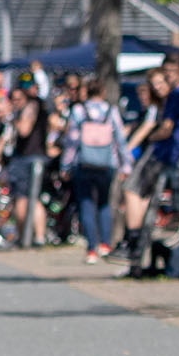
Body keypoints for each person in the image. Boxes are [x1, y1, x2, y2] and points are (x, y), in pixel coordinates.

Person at [120, 55, 179, 278]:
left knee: (136, 193)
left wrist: (148, 140)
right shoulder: (176, 98)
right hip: (168, 154)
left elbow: (165, 128)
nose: (158, 87)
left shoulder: (177, 97)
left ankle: (132, 242)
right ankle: (134, 249)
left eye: (162, 80)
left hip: (165, 155)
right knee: (141, 199)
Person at [62, 76, 130, 264]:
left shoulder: (78, 111)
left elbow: (71, 142)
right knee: (104, 203)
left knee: (86, 204)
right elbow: (120, 140)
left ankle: (91, 248)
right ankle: (105, 244)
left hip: (83, 163)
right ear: (103, 92)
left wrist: (65, 165)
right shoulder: (111, 111)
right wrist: (126, 164)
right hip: (107, 163)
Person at [6, 71, 49, 246]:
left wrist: (11, 119)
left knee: (23, 198)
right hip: (36, 156)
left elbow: (24, 130)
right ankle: (36, 237)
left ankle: (25, 236)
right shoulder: (41, 104)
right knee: (33, 198)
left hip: (28, 157)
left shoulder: (31, 106)